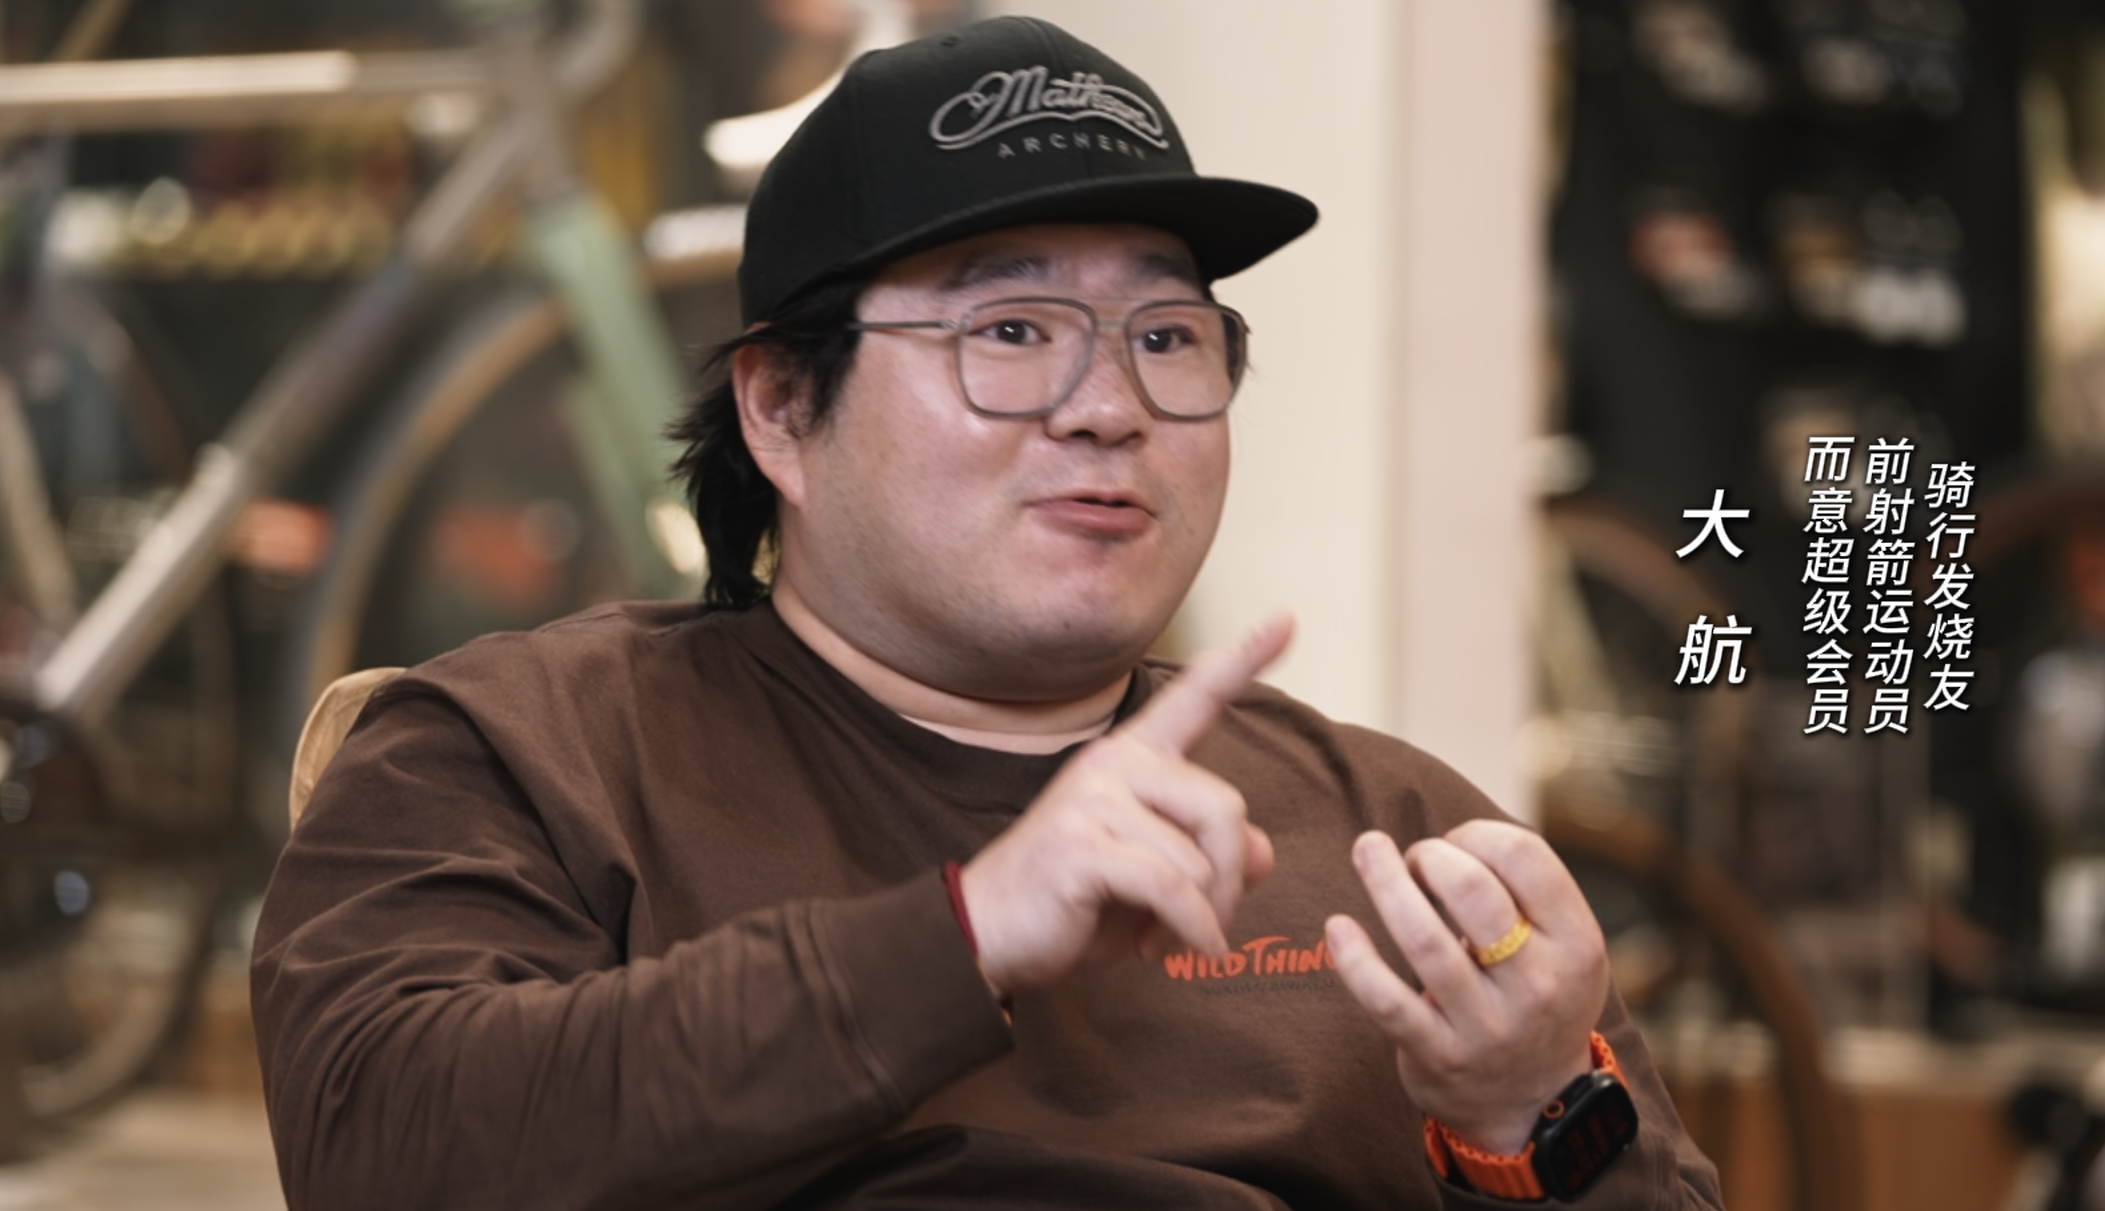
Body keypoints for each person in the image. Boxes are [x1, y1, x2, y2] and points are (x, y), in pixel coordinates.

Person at [252, 16, 1725, 1210]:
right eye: (1011, 331)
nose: (1108, 408)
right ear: (781, 405)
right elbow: (383, 1147)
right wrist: (966, 936)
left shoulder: (1387, 831)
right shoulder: (526, 751)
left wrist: (1528, 1122)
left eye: (1167, 336)